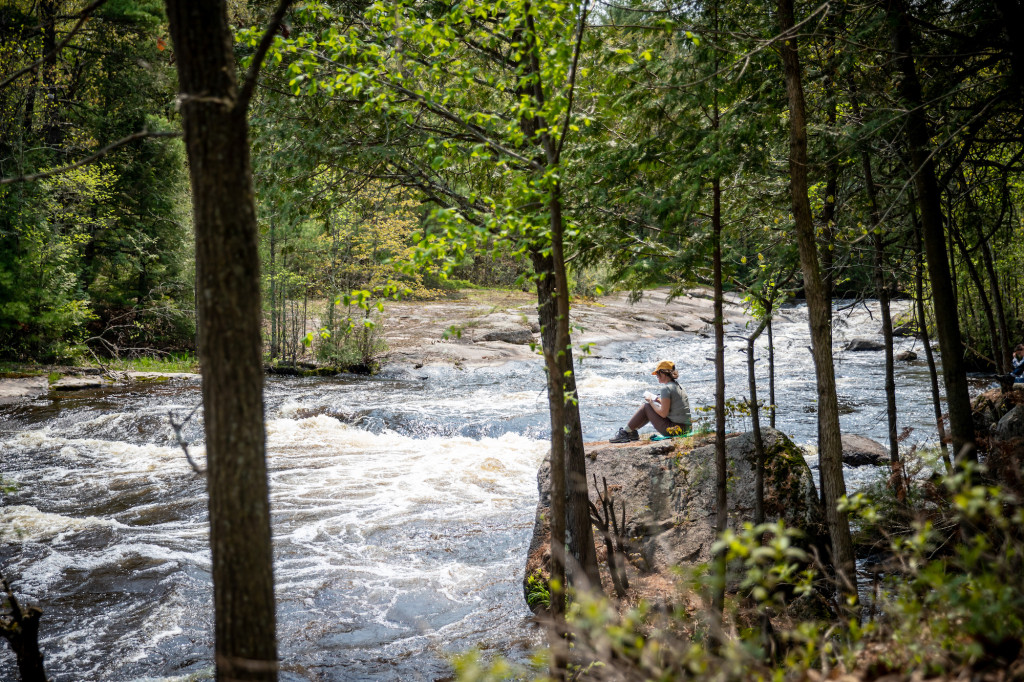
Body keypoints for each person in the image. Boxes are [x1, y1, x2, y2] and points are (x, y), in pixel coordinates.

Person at [609, 360, 692, 443]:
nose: (656, 376)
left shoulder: (666, 388)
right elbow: (673, 407)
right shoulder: (678, 386)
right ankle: (631, 432)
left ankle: (624, 433)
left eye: (657, 373)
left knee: (646, 407)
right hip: (686, 428)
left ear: (663, 373)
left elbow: (663, 414)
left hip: (675, 430)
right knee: (651, 408)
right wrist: (658, 401)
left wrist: (651, 402)